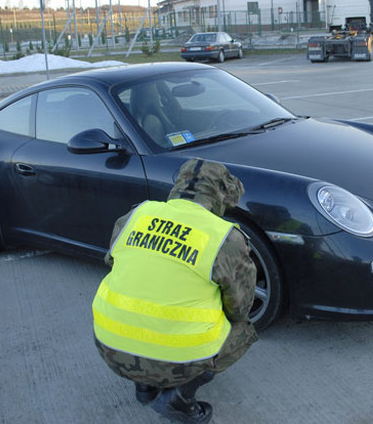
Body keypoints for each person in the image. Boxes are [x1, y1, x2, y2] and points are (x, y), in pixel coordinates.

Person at [92, 159, 258, 424]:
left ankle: (144, 387)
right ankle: (179, 397)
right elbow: (240, 306)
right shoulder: (224, 237)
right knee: (244, 331)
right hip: (176, 363)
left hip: (108, 348)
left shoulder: (136, 215)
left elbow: (112, 262)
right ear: (223, 195)